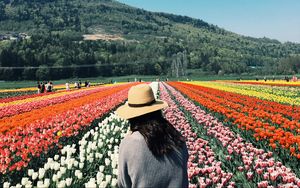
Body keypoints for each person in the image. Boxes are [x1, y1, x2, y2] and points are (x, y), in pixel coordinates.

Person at [116, 84, 188, 188]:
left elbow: (123, 184)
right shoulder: (177, 138)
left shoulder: (129, 144)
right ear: (157, 110)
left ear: (131, 117)